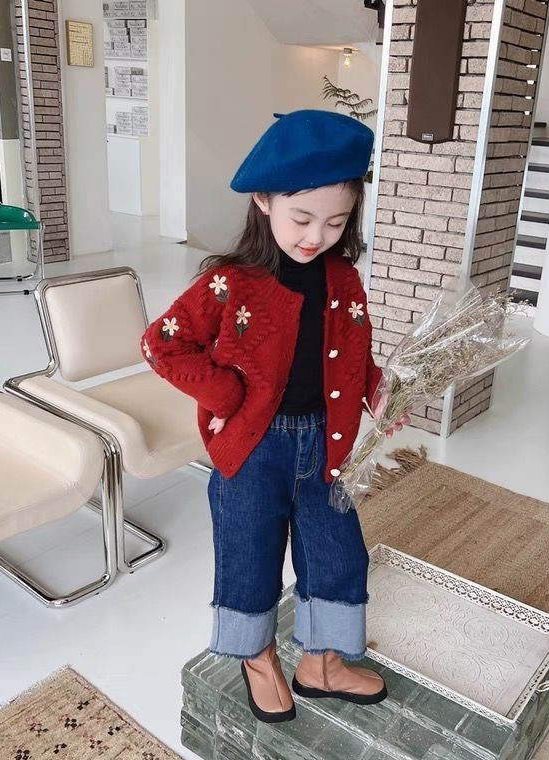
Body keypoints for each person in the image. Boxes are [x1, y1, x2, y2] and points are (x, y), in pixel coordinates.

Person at [141, 110, 408, 723]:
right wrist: (227, 395)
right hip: (252, 450)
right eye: (302, 218)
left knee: (337, 554)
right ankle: (257, 658)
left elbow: (352, 354)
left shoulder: (344, 279)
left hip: (325, 445)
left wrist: (377, 393)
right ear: (263, 201)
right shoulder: (229, 282)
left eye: (336, 222)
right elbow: (161, 343)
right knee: (250, 555)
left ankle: (321, 663)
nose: (317, 236)